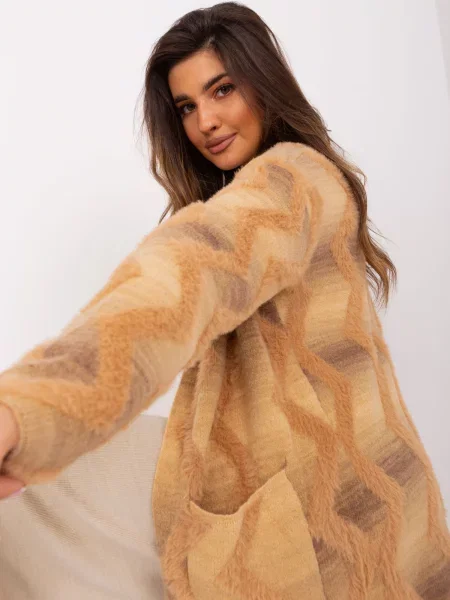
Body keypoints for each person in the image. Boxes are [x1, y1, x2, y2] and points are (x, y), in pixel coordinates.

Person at [1, 2, 450, 598]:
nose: (206, 121)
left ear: (263, 83)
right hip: (371, 497)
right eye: (186, 107)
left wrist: (24, 410)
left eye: (222, 90)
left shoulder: (293, 179)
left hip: (340, 528)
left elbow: (184, 278)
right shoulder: (266, 190)